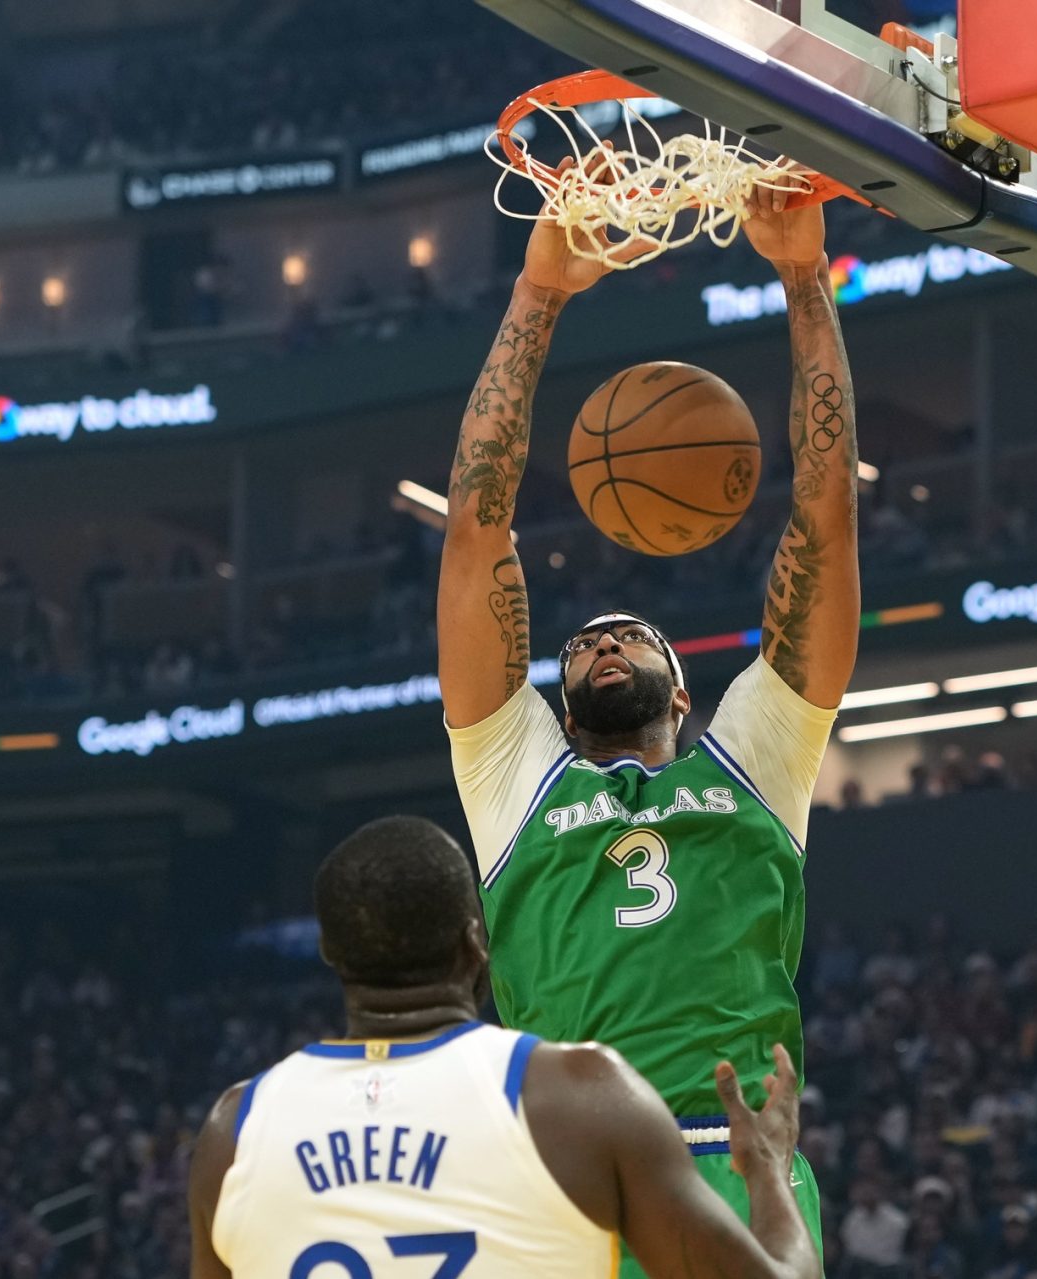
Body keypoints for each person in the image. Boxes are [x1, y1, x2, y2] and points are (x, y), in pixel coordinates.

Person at [438, 170, 859, 1273]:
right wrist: (539, 294)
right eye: (580, 644)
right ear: (562, 702)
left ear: (686, 693)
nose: (598, 642)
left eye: (630, 638)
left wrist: (805, 280)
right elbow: (478, 533)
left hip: (734, 1155)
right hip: (563, 1169)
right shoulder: (513, 776)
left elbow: (824, 517)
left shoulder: (760, 756)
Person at [187, 817, 820, 1278]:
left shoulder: (233, 1132)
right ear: (474, 943)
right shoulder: (577, 1097)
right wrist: (767, 1169)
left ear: (332, 957)